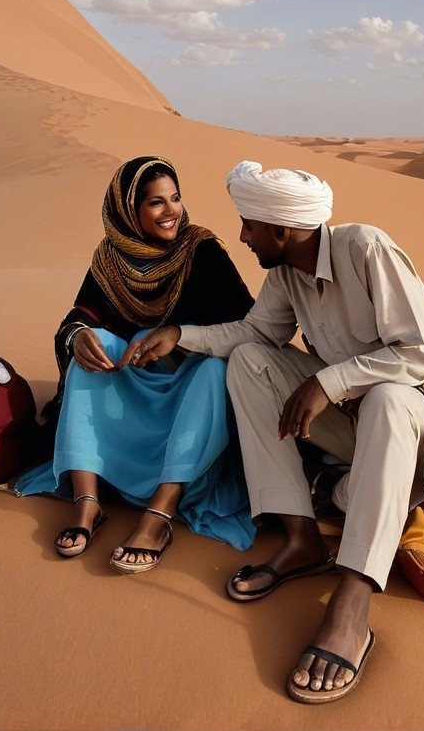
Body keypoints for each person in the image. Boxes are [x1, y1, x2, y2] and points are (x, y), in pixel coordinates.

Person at [122, 160, 424, 702]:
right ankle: (300, 537)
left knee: (387, 397)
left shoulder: (367, 249)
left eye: (249, 225)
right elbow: (254, 332)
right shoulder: (287, 273)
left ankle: (353, 601)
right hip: (361, 427)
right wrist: (179, 334)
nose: (242, 236)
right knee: (248, 359)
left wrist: (331, 382)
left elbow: (419, 354)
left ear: (282, 231)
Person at [16, 155, 256, 571]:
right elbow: (81, 315)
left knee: (215, 371)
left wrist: (181, 341)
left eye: (175, 198)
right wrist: (78, 337)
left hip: (190, 391)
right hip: (132, 386)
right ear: (129, 210)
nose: (171, 212)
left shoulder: (202, 251)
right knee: (96, 346)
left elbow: (248, 326)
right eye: (156, 203)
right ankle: (87, 502)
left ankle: (159, 513)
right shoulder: (110, 259)